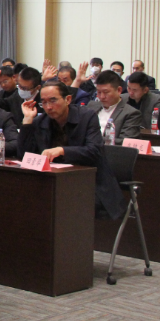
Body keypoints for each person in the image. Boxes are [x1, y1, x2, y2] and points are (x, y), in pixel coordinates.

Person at [17, 80, 125, 220]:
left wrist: (62, 150)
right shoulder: (41, 121)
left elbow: (94, 151)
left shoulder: (86, 116)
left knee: (64, 204)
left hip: (89, 182)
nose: (48, 107)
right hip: (54, 181)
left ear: (67, 99)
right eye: (44, 102)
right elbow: (24, 155)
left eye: (53, 100)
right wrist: (27, 121)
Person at [85, 71, 141, 145]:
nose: (102, 96)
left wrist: (92, 139)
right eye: (99, 92)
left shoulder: (131, 113)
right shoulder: (91, 106)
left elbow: (125, 142)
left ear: (119, 90)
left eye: (106, 92)